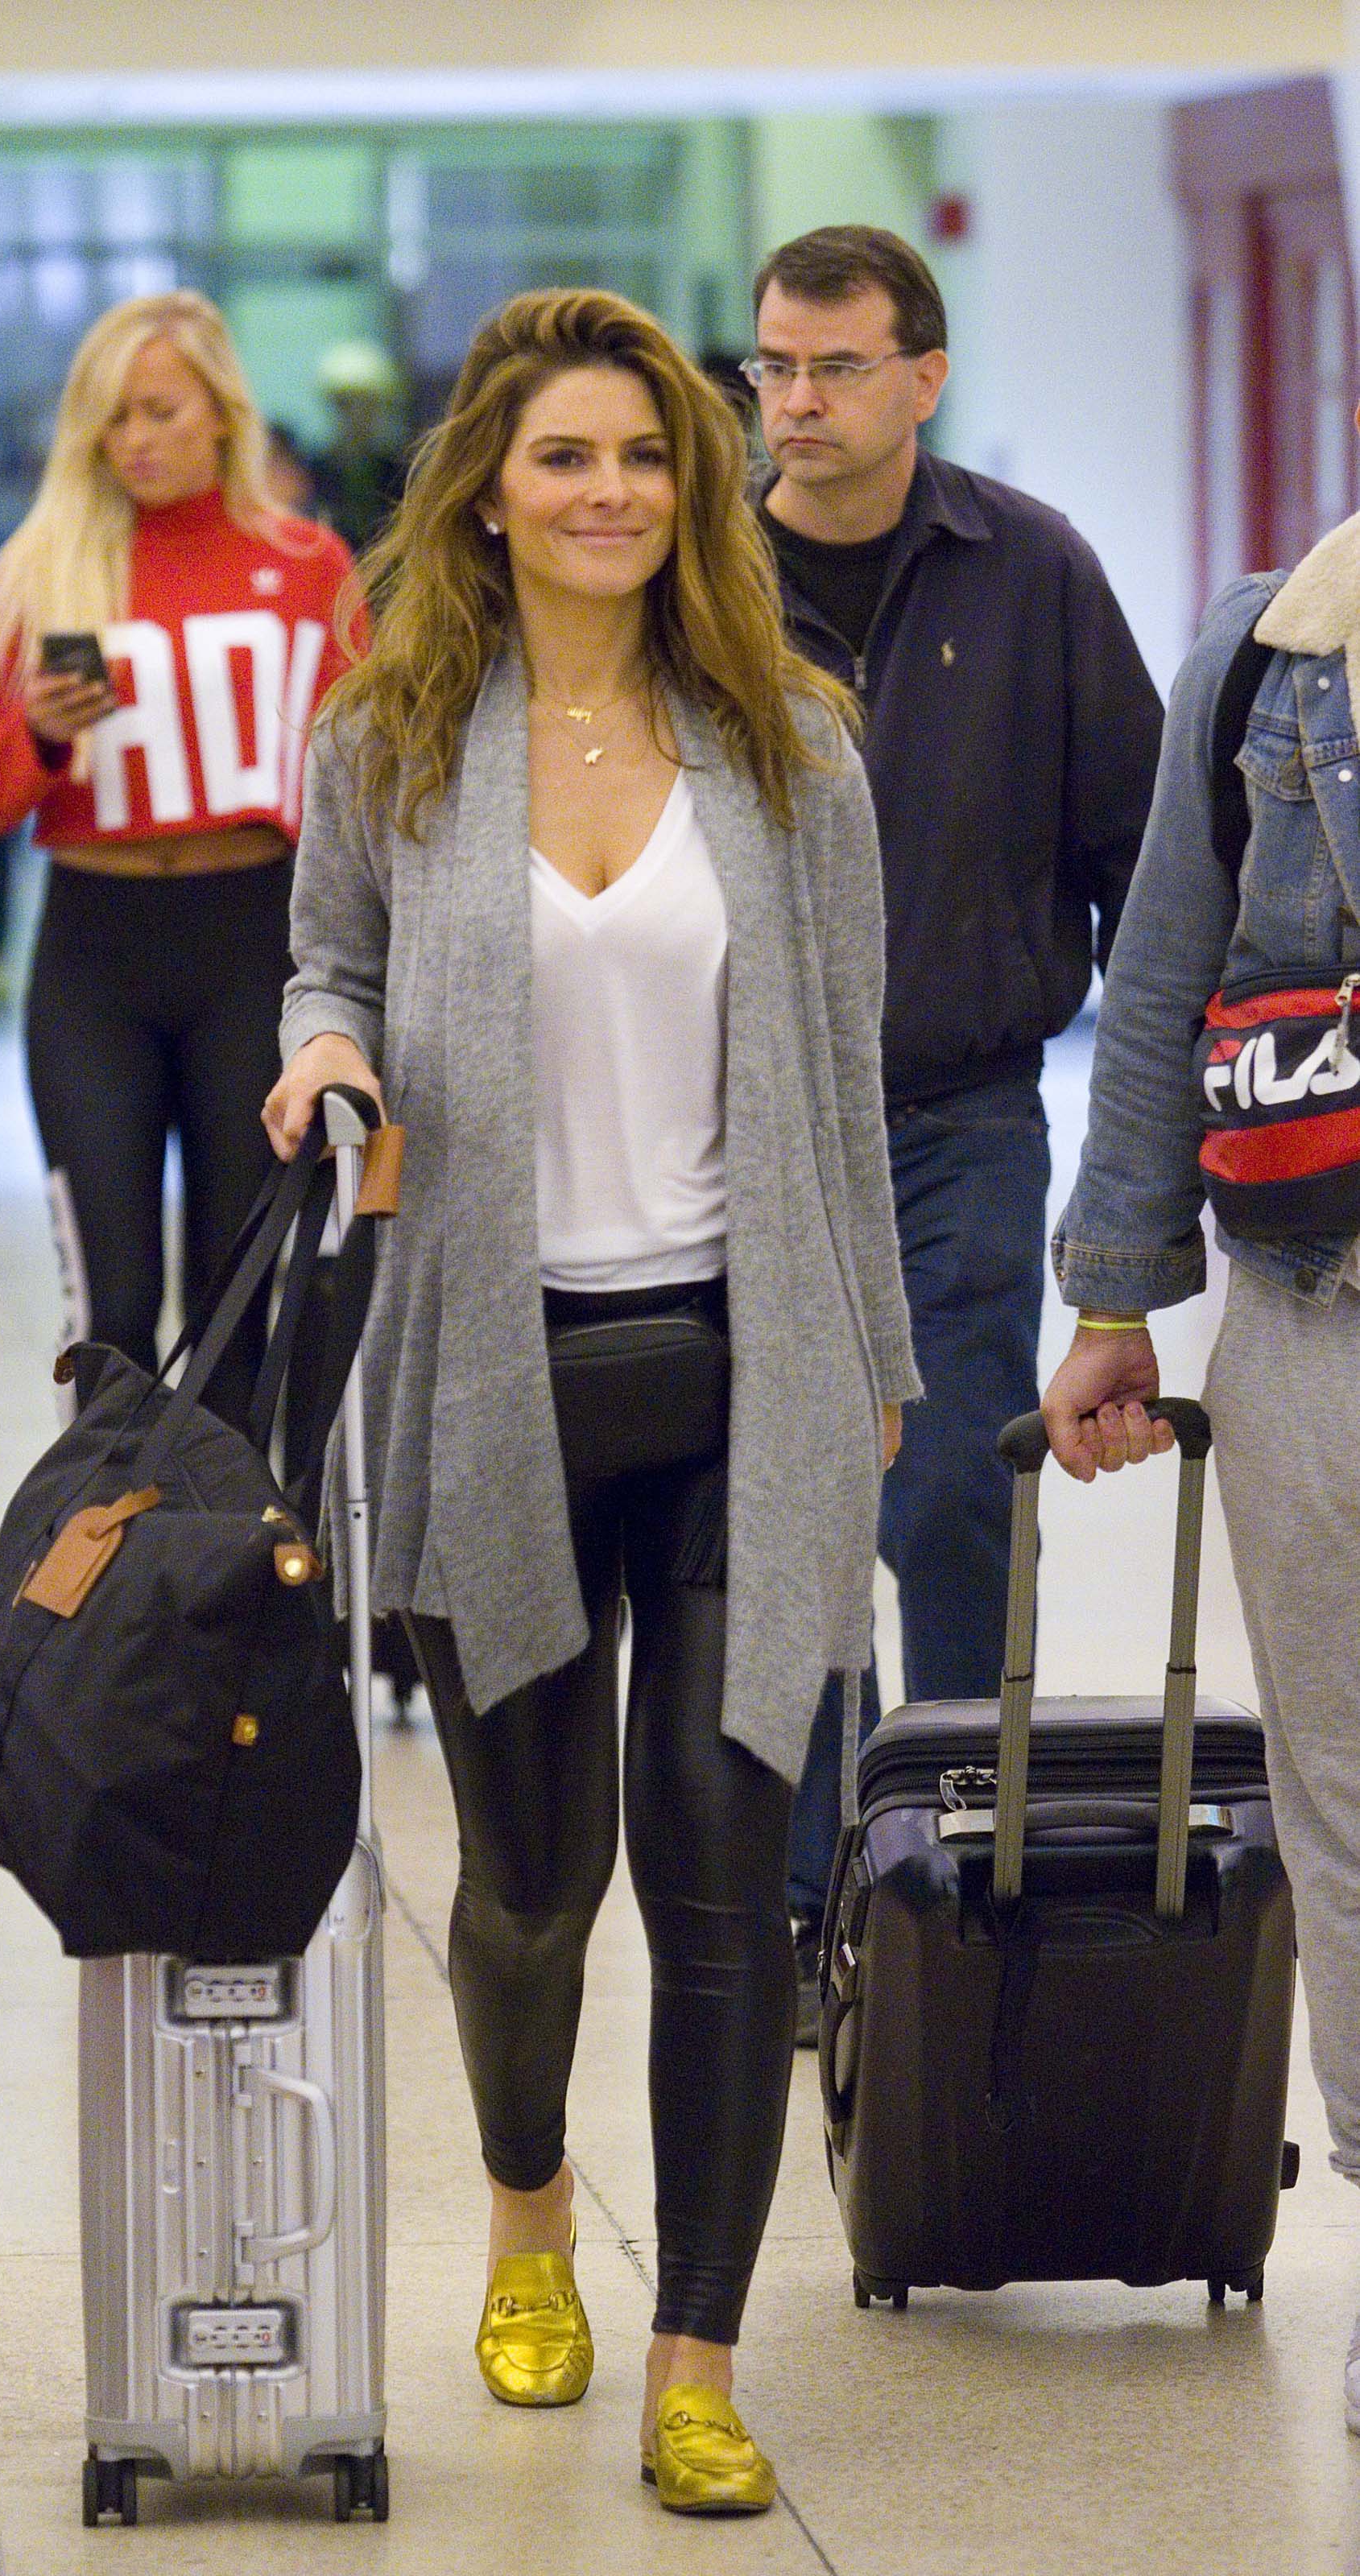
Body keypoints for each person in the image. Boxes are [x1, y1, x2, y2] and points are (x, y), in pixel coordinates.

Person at [264, 287, 918, 2513]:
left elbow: (845, 1080)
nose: (611, 492)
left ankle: (698, 2357)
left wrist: (881, 1361)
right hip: (487, 1372)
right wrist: (322, 1048)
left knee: (724, 1884)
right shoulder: (387, 739)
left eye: (644, 455)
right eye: (564, 457)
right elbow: (324, 957)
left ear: (694, 481)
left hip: (745, 1366)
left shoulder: (786, 747)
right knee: (533, 1882)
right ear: (488, 485)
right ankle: (529, 2201)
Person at [745, 224, 1164, 2026]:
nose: (796, 401)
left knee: (945, 1493)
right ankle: (810, 1898)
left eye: (835, 366)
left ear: (923, 375)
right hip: (741, 1135)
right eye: (771, 365)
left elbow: (1141, 863)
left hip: (961, 1111)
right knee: (785, 1515)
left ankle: (956, 1845)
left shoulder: (1034, 572)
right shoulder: (700, 580)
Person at [1041, 473, 1360, 2432]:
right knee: (1336, 1785)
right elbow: (1157, 986)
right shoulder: (1269, 651)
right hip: (1313, 1298)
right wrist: (1110, 1298)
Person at [0, 292, 354, 1412]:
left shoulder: (308, 563)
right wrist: (39, 730)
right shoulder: (41, 570)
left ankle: (227, 1575)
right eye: (111, 418)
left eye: (160, 411)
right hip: (95, 953)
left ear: (223, 415)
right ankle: (117, 1571)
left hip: (255, 948)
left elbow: (359, 778)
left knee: (237, 1301)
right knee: (114, 1309)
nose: (135, 440)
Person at [308, 340, 410, 551]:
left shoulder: (401, 472)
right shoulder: (314, 472)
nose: (357, 414)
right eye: (346, 403)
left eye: (366, 403)